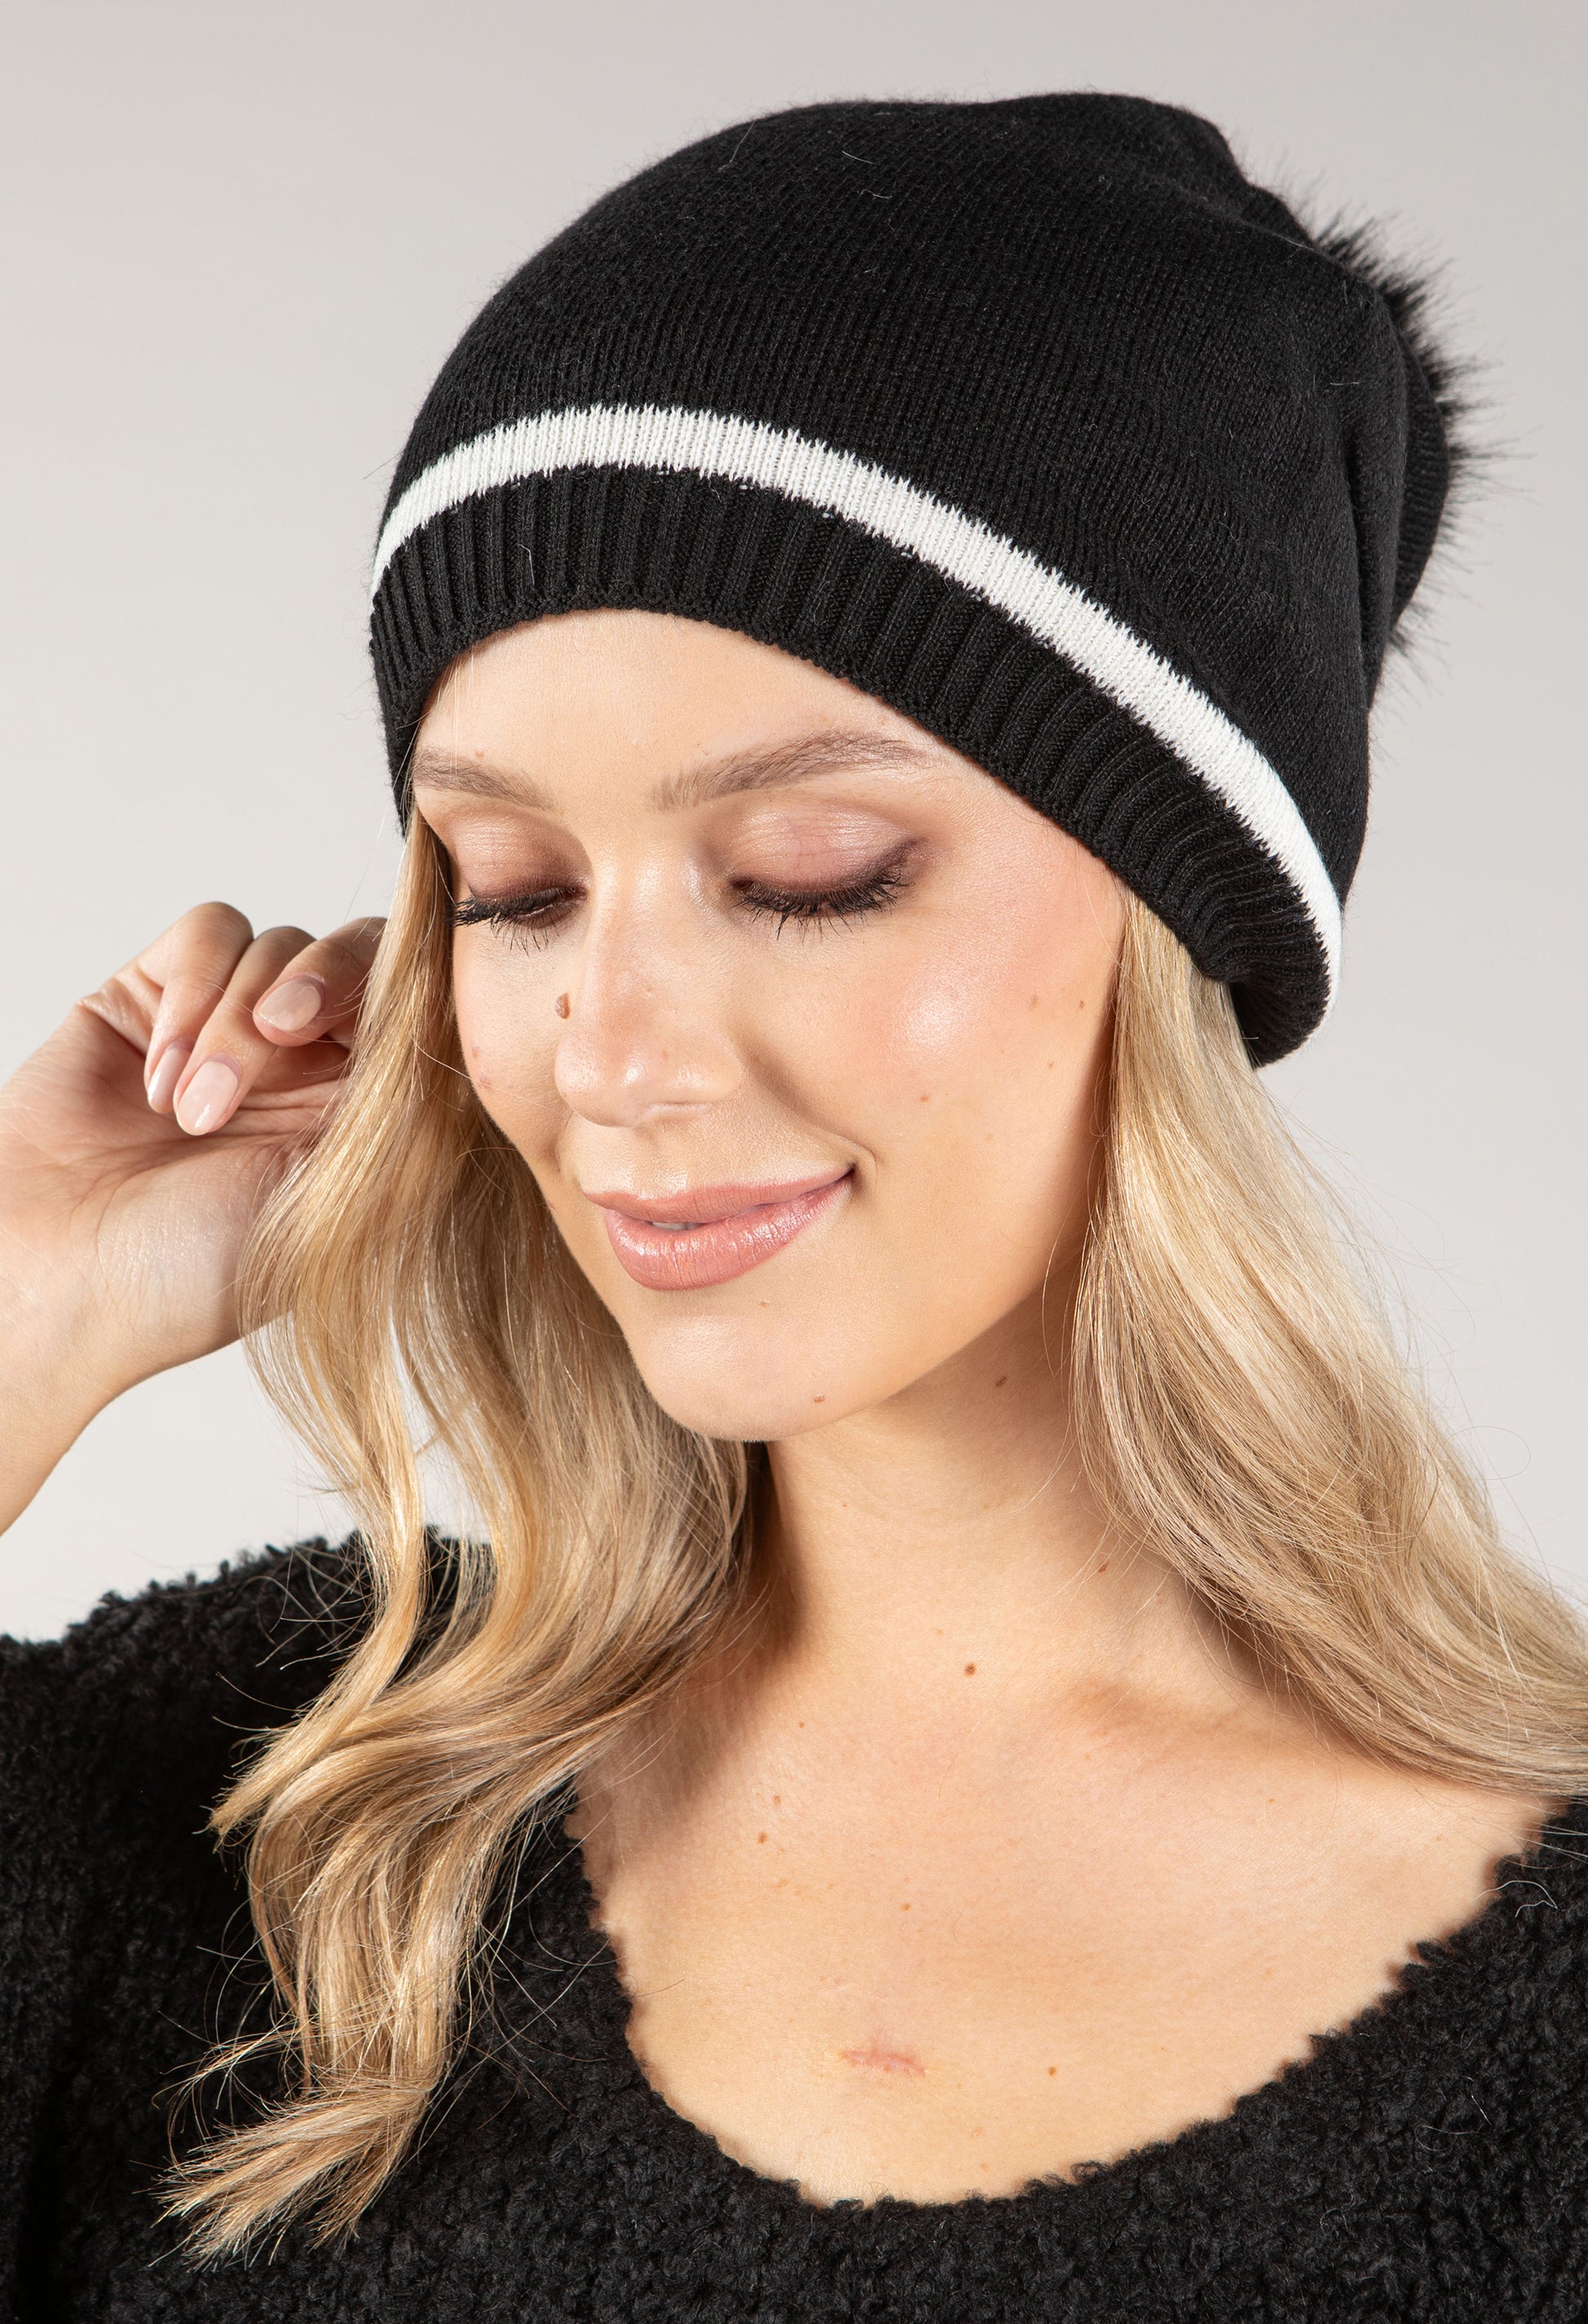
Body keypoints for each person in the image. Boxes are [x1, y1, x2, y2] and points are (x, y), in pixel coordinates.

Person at [2, 91, 1585, 2324]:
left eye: (805, 875)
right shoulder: (273, 1800)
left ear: (1179, 927)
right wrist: (29, 1294)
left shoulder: (1546, 2026)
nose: (615, 1050)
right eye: (514, 890)